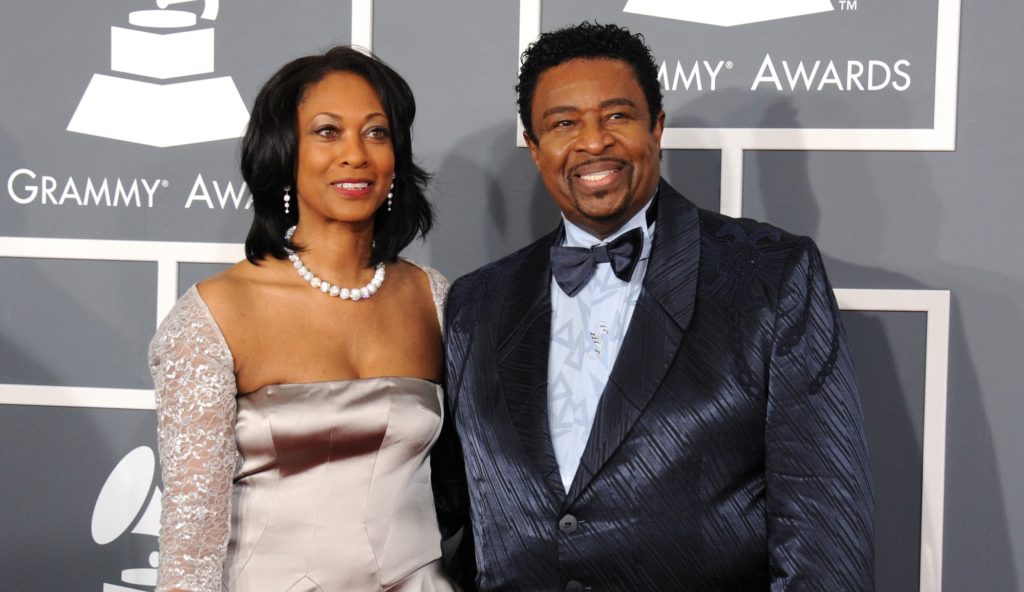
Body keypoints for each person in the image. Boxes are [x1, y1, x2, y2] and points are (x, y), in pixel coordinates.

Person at [439, 22, 875, 590]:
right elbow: (443, 507)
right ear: (535, 145)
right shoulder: (477, 302)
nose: (594, 142)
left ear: (657, 128)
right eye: (564, 123)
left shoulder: (771, 277)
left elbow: (825, 531)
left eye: (617, 116)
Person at [149, 46, 457, 592]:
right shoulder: (217, 315)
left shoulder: (433, 299)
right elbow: (191, 544)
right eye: (327, 132)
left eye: (376, 133)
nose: (355, 155)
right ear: (285, 154)